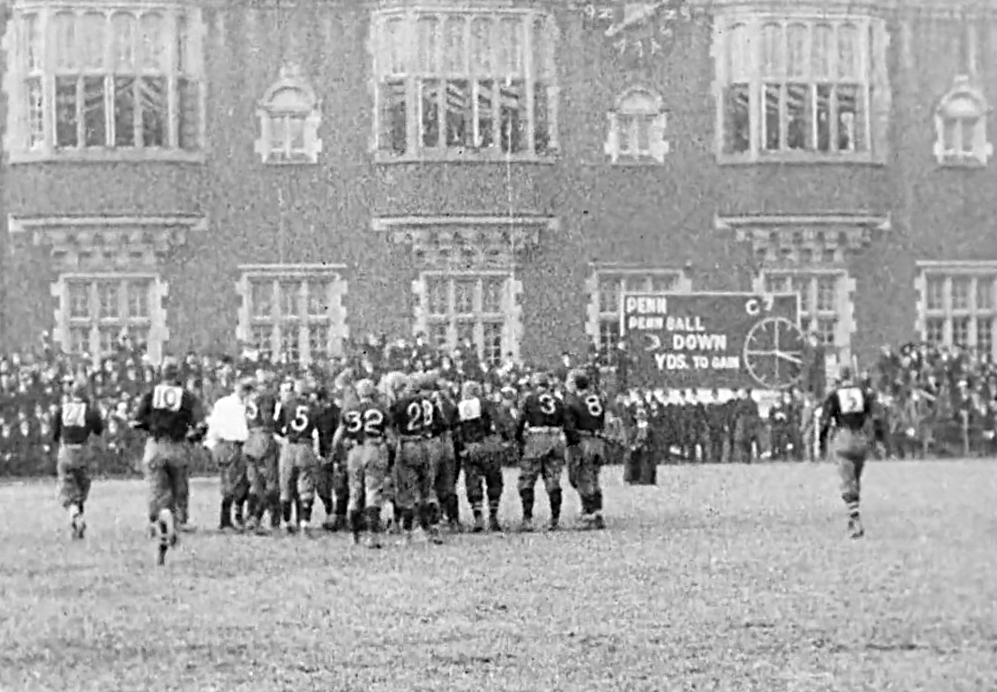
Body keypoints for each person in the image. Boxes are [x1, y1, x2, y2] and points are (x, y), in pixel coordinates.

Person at [133, 358, 203, 565]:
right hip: (178, 447)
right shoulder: (187, 397)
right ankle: (174, 522)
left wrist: (151, 426)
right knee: (179, 493)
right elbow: (200, 425)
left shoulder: (151, 394)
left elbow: (137, 422)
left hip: (155, 446)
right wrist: (192, 436)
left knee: (158, 494)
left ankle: (163, 520)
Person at [332, 378, 392, 547]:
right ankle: (372, 536)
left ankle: (353, 535)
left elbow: (338, 436)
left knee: (354, 492)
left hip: (355, 451)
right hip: (373, 447)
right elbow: (391, 437)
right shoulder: (380, 410)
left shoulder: (350, 410)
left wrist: (337, 453)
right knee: (372, 492)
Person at [819, 366, 873, 539]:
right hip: (861, 438)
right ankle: (852, 517)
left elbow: (825, 419)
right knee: (856, 481)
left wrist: (821, 440)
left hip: (844, 437)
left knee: (847, 482)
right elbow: (871, 415)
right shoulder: (862, 393)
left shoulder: (835, 395)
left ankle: (855, 520)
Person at [389, 373, 442, 544]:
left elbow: (391, 424)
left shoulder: (401, 403)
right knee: (427, 490)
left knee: (407, 491)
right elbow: (441, 425)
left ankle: (407, 533)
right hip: (427, 444)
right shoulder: (430, 403)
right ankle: (432, 530)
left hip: (408, 443)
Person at [51, 379, 104, 540]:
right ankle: (78, 519)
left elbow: (55, 434)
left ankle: (75, 516)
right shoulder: (90, 411)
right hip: (84, 452)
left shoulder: (62, 410)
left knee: (67, 491)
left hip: (66, 450)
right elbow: (98, 430)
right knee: (81, 490)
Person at [516, 372, 566, 532]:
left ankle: (527, 519)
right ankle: (555, 519)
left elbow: (520, 421)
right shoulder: (558, 401)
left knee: (527, 479)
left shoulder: (528, 399)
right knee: (553, 480)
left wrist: (518, 439)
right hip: (555, 438)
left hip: (536, 438)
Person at [204, 378, 253, 531]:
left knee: (244, 484)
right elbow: (215, 424)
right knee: (230, 484)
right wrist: (212, 443)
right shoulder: (224, 404)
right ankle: (225, 520)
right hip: (229, 444)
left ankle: (239, 516)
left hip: (244, 446)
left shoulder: (250, 406)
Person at [455, 380, 504, 533]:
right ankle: (493, 516)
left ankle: (478, 517)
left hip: (471, 447)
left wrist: (462, 447)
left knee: (473, 482)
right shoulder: (487, 404)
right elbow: (498, 423)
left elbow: (457, 429)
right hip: (488, 445)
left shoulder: (460, 406)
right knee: (494, 480)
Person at [275, 379, 322, 535]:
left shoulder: (286, 405)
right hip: (306, 445)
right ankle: (304, 524)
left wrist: (284, 441)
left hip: (289, 446)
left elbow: (276, 427)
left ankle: (287, 522)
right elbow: (317, 431)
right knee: (306, 486)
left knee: (286, 486)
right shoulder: (314, 408)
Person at [564, 370, 606, 529]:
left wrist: (572, 445)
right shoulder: (598, 399)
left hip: (582, 440)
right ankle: (598, 512)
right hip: (597, 440)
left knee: (581, 478)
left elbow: (570, 427)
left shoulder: (573, 402)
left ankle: (590, 515)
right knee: (594, 477)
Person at [243, 370, 281, 534]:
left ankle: (252, 515)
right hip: (263, 437)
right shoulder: (267, 397)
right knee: (271, 482)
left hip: (250, 437)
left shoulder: (248, 397)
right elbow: (267, 418)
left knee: (255, 482)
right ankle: (263, 517)